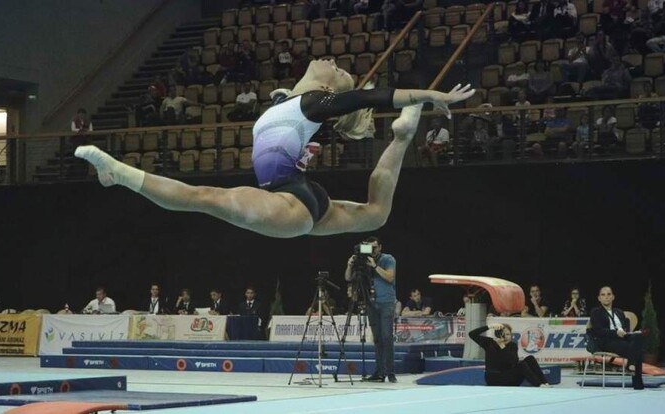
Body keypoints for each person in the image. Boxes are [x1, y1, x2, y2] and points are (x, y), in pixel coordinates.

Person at [75, 59, 474, 239]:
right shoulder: (287, 101)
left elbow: (378, 96)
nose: (329, 60)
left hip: (289, 200)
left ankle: (119, 173)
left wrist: (429, 95)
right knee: (375, 215)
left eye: (334, 68)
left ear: (328, 88)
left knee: (204, 197)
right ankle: (403, 138)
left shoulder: (316, 101)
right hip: (298, 194)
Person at [345, 236, 397, 383]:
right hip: (371, 302)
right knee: (377, 339)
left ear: (380, 247)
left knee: (387, 337)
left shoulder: (388, 259)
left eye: (374, 248)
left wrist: (374, 266)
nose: (372, 251)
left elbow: (390, 277)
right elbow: (348, 278)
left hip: (386, 302)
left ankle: (390, 372)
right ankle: (379, 372)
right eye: (369, 248)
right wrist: (350, 265)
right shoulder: (363, 261)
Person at [589, 286, 644, 390]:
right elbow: (599, 331)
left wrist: (630, 333)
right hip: (607, 341)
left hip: (622, 338)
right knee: (637, 350)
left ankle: (630, 365)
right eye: (603, 295)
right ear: (599, 298)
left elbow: (625, 329)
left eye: (609, 294)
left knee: (638, 337)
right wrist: (615, 333)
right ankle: (638, 385)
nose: (606, 297)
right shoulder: (596, 312)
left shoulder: (619, 312)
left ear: (613, 297)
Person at [468, 323, 551, 387]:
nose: (506, 337)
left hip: (509, 377)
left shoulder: (512, 345)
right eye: (503, 335)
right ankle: (538, 385)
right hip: (494, 379)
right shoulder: (489, 343)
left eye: (508, 334)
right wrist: (489, 326)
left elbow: (513, 363)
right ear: (498, 335)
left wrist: (503, 347)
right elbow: (472, 334)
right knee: (522, 365)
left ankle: (545, 383)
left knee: (530, 359)